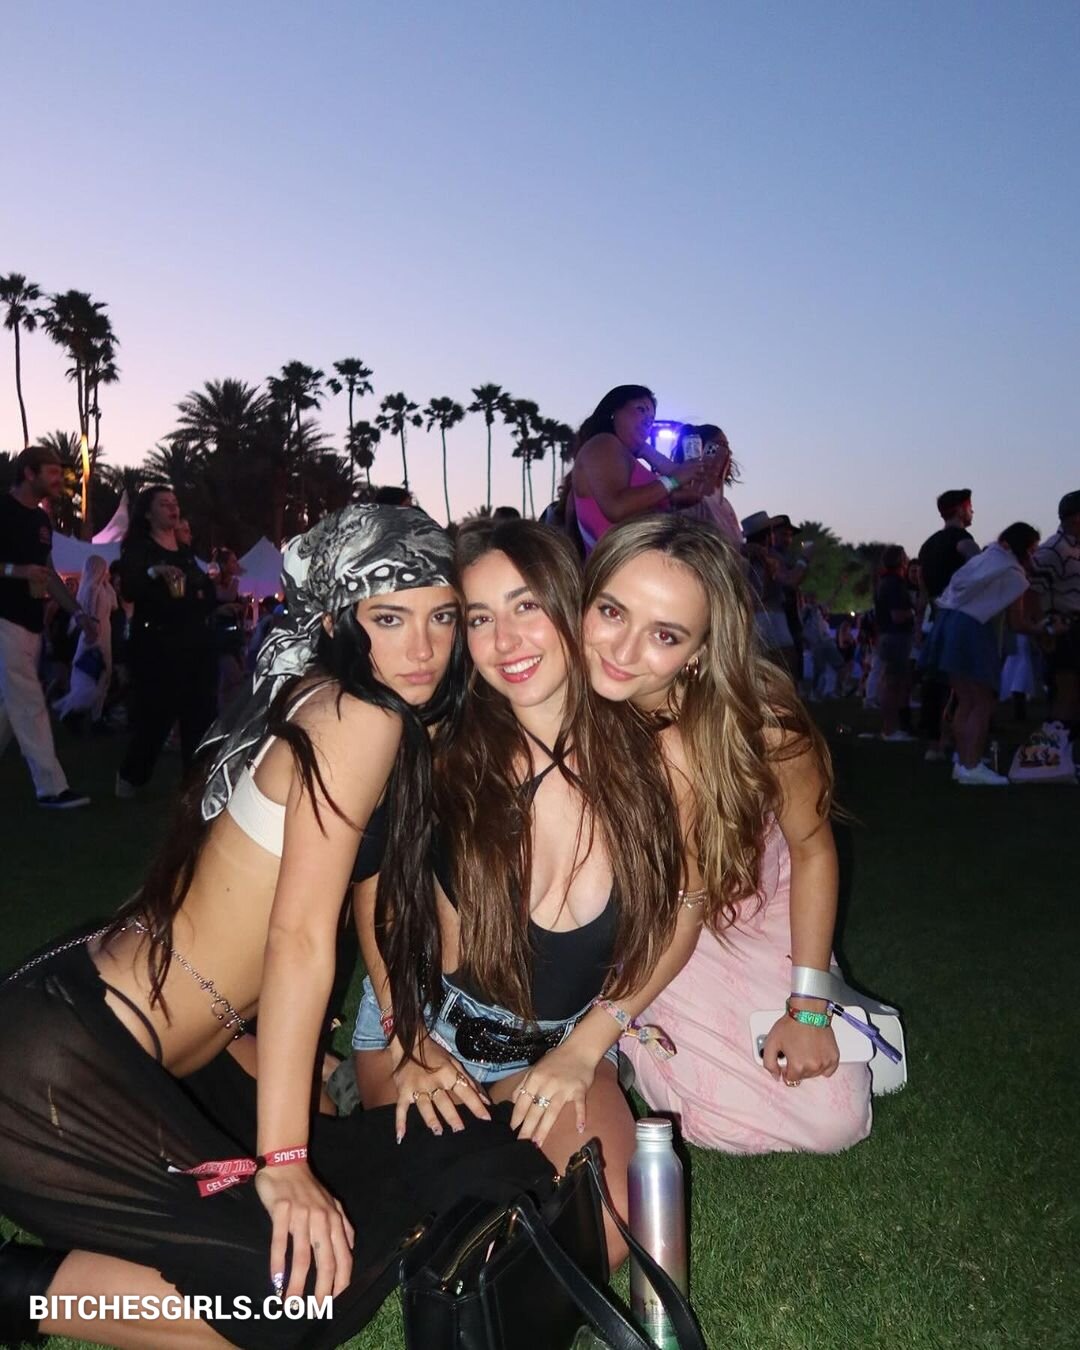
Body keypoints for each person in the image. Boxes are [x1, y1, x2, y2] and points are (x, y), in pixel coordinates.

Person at [0, 504, 551, 1348]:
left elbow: (372, 899)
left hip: (173, 1055)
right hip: (58, 1074)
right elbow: (297, 940)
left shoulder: (365, 714)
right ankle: (22, 1288)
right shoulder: (354, 717)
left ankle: (155, 1232)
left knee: (402, 1187)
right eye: (389, 619)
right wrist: (285, 1163)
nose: (423, 647)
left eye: (443, 617)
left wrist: (409, 1038)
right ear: (334, 622)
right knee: (294, 1296)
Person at [350, 519, 699, 1263]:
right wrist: (409, 1041)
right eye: (479, 619)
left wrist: (587, 1048)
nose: (505, 640)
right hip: (427, 1030)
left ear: (572, 606)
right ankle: (352, 1100)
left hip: (560, 1046)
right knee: (459, 1224)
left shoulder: (658, 760)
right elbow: (376, 891)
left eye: (526, 606)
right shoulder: (439, 749)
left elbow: (685, 908)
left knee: (606, 1233)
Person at [582, 514, 872, 1154]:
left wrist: (808, 1005)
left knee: (832, 1123)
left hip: (744, 910)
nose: (623, 651)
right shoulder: (561, 704)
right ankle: (624, 1026)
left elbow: (812, 849)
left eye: (664, 634)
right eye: (611, 611)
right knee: (708, 1118)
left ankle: (630, 1032)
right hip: (632, 924)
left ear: (702, 648)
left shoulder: (762, 724)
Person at [923, 523, 1061, 786]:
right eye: (1032, 549)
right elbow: (1018, 623)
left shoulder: (985, 559)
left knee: (965, 701)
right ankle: (972, 765)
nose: (1034, 555)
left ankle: (964, 763)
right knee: (982, 702)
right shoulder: (1013, 574)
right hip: (974, 630)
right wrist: (1046, 628)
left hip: (949, 623)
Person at [0, 445, 97, 807]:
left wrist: (79, 613)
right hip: (4, 619)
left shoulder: (41, 521)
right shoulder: (3, 509)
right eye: (53, 472)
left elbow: (49, 573)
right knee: (29, 704)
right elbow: (27, 570)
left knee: (9, 704)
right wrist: (16, 571)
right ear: (29, 473)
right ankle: (52, 788)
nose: (60, 479)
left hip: (30, 622)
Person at [116, 487, 218, 795]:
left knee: (199, 712)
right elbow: (130, 588)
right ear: (148, 513)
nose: (173, 509)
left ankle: (196, 783)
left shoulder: (184, 551)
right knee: (157, 716)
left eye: (175, 503)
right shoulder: (139, 548)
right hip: (157, 644)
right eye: (164, 504)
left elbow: (201, 590)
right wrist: (153, 571)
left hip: (193, 641)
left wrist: (209, 591)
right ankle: (131, 775)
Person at [570, 385, 711, 552]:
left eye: (651, 419)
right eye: (641, 410)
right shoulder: (603, 443)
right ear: (614, 411)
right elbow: (616, 507)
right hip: (621, 561)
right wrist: (672, 480)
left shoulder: (623, 454)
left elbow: (686, 481)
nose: (647, 421)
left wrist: (645, 450)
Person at [917, 490, 979, 757]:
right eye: (970, 507)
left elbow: (922, 590)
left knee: (936, 683)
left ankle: (935, 741)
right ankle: (957, 741)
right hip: (959, 617)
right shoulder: (962, 539)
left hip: (936, 617)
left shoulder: (928, 545)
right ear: (961, 509)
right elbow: (979, 565)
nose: (973, 512)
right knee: (962, 684)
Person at [1031, 490, 1080, 729]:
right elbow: (1032, 592)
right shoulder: (1052, 550)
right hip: (1063, 628)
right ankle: (1055, 742)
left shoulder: (1074, 548)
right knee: (1066, 691)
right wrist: (1044, 630)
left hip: (1073, 626)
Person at [52, 554, 118, 728]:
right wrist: (93, 635)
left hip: (105, 634)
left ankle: (96, 716)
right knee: (89, 676)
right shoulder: (90, 589)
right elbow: (90, 614)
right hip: (95, 636)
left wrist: (106, 584)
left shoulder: (101, 588)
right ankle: (74, 713)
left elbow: (114, 605)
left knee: (104, 675)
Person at [670, 424, 743, 550]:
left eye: (727, 447)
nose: (728, 453)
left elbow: (735, 544)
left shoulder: (724, 502)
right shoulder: (691, 495)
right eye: (720, 445)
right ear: (701, 450)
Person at [874, 545, 916, 741]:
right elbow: (898, 616)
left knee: (890, 682)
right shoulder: (895, 584)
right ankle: (890, 730)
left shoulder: (883, 582)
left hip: (886, 636)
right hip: (896, 637)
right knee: (893, 684)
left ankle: (889, 727)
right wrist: (914, 611)